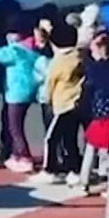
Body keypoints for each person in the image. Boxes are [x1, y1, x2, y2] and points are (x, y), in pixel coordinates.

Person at [0, 14, 39, 173]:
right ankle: (16, 154)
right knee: (17, 123)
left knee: (15, 127)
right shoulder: (31, 49)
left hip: (16, 93)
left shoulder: (15, 51)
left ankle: (25, 156)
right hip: (28, 92)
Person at [31, 23, 85, 186]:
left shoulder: (58, 61)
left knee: (51, 138)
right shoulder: (78, 57)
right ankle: (73, 170)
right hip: (77, 103)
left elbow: (50, 82)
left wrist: (46, 99)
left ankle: (50, 170)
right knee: (70, 139)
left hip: (62, 105)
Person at [79, 28, 109, 193]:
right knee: (106, 148)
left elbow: (88, 86)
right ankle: (104, 176)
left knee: (93, 145)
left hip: (99, 113)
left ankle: (85, 178)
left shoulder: (96, 68)